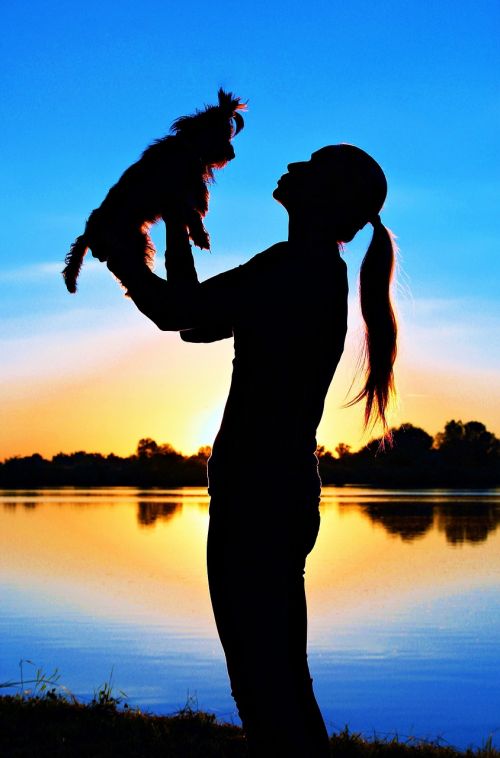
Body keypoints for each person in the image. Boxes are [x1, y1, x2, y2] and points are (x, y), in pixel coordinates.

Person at [103, 144, 397, 756]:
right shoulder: (308, 267)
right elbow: (195, 321)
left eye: (312, 167)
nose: (293, 166)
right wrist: (180, 224)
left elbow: (178, 312)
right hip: (274, 493)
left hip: (259, 498)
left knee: (266, 689)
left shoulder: (296, 266)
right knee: (277, 682)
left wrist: (123, 258)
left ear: (328, 198)